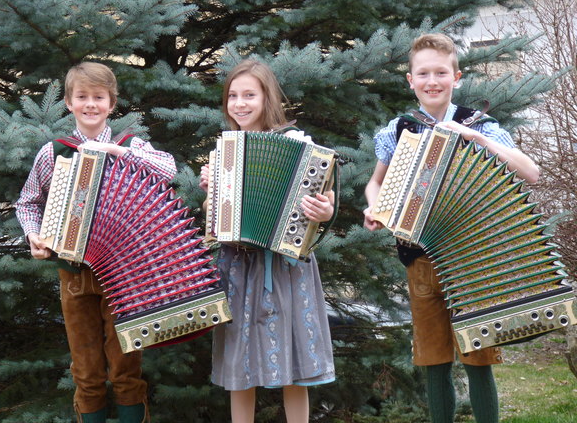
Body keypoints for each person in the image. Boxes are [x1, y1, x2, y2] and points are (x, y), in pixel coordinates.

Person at [363, 33, 539, 423]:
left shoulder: (478, 124)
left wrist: (476, 138)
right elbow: (376, 181)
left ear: (455, 76)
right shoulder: (399, 129)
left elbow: (531, 172)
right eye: (423, 73)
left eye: (441, 72)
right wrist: (375, 206)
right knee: (434, 360)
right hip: (419, 259)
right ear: (410, 80)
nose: (432, 81)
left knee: (478, 357)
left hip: (470, 259)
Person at [15, 62, 177, 423]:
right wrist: (33, 235)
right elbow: (27, 202)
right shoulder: (54, 151)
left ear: (111, 103)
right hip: (73, 274)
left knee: (125, 369)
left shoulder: (130, 145)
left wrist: (122, 154)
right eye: (82, 97)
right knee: (86, 373)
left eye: (98, 97)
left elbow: (169, 170)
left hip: (123, 276)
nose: (91, 104)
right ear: (69, 103)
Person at [199, 59, 335, 423]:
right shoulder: (225, 150)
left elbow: (326, 200)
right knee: (239, 362)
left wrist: (323, 210)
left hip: (286, 265)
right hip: (239, 263)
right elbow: (215, 223)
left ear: (266, 97)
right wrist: (211, 190)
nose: (240, 103)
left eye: (249, 95)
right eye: (233, 95)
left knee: (293, 360)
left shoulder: (295, 142)